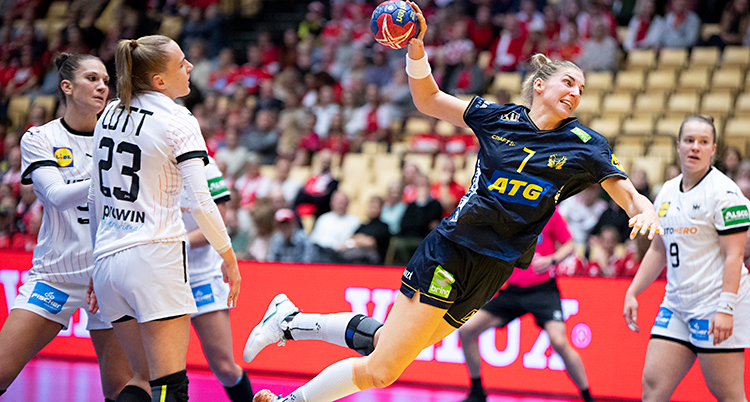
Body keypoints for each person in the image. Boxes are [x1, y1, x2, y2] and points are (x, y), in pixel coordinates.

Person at [246, 3, 662, 402]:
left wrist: (642, 211)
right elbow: (428, 100)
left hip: (495, 269)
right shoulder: (498, 118)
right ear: (540, 85)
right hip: (453, 249)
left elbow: (626, 191)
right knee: (384, 368)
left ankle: (289, 321)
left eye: (581, 88)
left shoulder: (585, 146)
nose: (576, 92)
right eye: (568, 81)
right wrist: (416, 46)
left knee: (386, 346)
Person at [88, 35, 241, 402]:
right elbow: (203, 202)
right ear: (159, 81)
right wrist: (229, 258)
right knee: (169, 386)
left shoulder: (108, 113)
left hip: (109, 261)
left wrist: (95, 263)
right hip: (155, 257)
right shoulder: (177, 118)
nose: (189, 68)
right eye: (181, 63)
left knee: (140, 380)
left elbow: (96, 197)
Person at [0, 53, 131, 401]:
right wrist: (105, 176)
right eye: (92, 78)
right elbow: (56, 196)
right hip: (57, 274)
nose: (102, 86)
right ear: (67, 87)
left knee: (121, 389)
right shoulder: (39, 138)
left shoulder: (121, 140)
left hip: (108, 277)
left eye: (106, 80)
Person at [623, 116, 750, 402]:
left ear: (713, 149)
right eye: (689, 140)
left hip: (715, 304)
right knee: (653, 388)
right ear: (678, 146)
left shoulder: (725, 193)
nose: (695, 147)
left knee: (729, 395)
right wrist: (633, 291)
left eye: (703, 142)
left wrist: (726, 309)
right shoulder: (666, 191)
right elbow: (658, 250)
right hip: (677, 305)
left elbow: (735, 254)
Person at [458, 209, 593, 402]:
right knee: (466, 331)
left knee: (559, 341)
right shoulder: (507, 213)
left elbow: (569, 245)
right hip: (512, 290)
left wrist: (551, 260)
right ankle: (477, 392)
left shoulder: (550, 212)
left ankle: (588, 397)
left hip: (542, 289)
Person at [180, 156, 253, 401]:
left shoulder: (205, 165)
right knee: (157, 371)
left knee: (225, 368)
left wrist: (177, 242)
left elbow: (218, 221)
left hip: (201, 276)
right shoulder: (148, 158)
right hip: (163, 274)